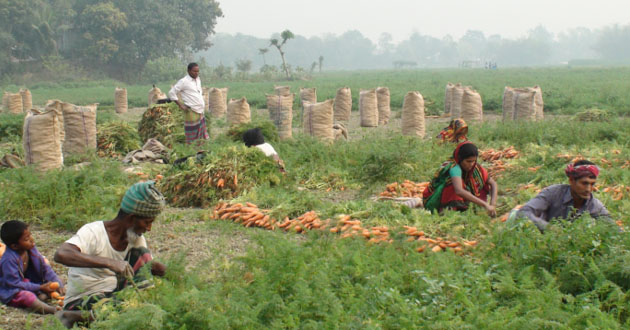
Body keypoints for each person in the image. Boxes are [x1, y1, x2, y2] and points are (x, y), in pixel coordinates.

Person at [54, 181, 167, 328]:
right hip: (84, 300)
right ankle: (72, 316)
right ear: (131, 218)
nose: (149, 228)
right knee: (131, 310)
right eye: (147, 222)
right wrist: (109, 262)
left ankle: (116, 313)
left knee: (143, 258)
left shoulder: (136, 239)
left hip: (114, 296)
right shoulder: (93, 232)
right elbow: (62, 254)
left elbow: (143, 270)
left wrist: (164, 270)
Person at [516, 160, 612, 232]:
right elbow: (524, 212)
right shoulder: (553, 193)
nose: (588, 189)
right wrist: (551, 228)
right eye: (584, 183)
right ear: (571, 181)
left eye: (592, 184)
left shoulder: (594, 205)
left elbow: (613, 228)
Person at [0, 220, 64, 314]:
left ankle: (40, 296)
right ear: (14, 246)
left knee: (57, 280)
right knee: (27, 296)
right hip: (11, 289)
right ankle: (50, 310)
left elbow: (45, 268)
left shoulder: (30, 249)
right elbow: (14, 284)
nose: (31, 239)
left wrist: (58, 283)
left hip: (28, 281)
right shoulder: (8, 260)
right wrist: (40, 287)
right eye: (26, 239)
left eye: (30, 235)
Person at [423, 141, 498, 216]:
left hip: (460, 196)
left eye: (474, 161)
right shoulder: (454, 167)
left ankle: (465, 208)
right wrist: (485, 205)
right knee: (451, 184)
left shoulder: (476, 168)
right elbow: (459, 191)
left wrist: (492, 204)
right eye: (468, 161)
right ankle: (448, 212)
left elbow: (493, 184)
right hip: (434, 200)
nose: (472, 164)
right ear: (460, 159)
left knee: (476, 182)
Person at [168, 62, 209, 145]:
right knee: (192, 135)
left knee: (202, 135)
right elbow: (171, 93)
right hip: (191, 111)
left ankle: (201, 149)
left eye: (198, 71)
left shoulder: (198, 80)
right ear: (188, 71)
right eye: (194, 71)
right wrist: (180, 105)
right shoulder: (184, 81)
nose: (196, 73)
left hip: (200, 110)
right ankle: (191, 150)